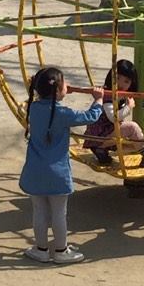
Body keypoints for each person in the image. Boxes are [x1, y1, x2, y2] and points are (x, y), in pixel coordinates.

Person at [19, 66, 104, 264]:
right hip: (57, 173)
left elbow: (40, 97)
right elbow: (89, 117)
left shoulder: (33, 108)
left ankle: (41, 249)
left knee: (39, 211)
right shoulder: (63, 113)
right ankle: (61, 250)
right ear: (57, 91)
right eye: (64, 83)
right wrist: (98, 100)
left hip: (34, 171)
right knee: (59, 213)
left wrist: (58, 89)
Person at [83, 59, 144, 168]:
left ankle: (101, 150)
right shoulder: (108, 95)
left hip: (105, 134)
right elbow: (113, 118)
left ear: (131, 83)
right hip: (98, 136)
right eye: (117, 78)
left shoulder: (121, 95)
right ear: (111, 77)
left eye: (126, 81)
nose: (121, 84)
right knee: (132, 128)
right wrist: (128, 107)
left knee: (133, 145)